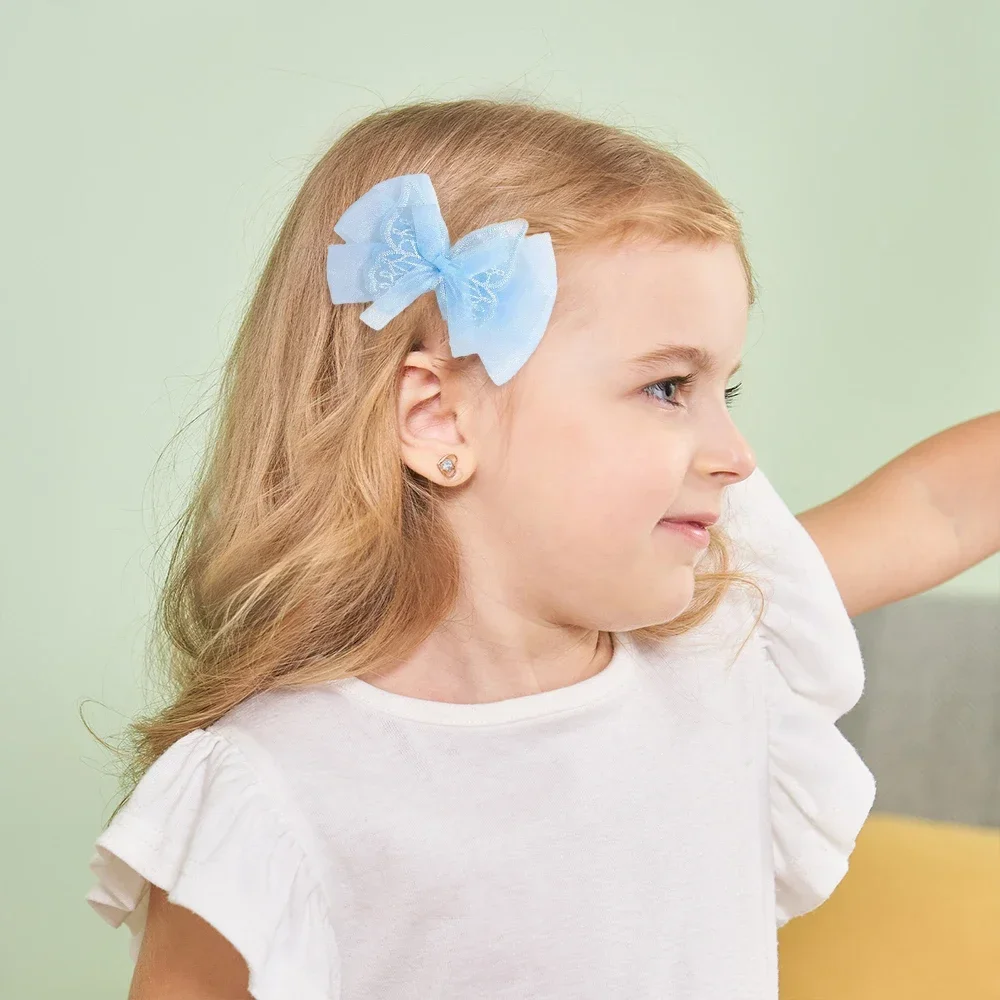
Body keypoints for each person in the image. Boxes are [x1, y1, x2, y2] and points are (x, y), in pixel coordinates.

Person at [84, 97, 1000, 1000]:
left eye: (729, 387)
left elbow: (937, 510)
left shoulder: (722, 637)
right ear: (439, 417)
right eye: (670, 386)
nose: (735, 456)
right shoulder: (273, 794)